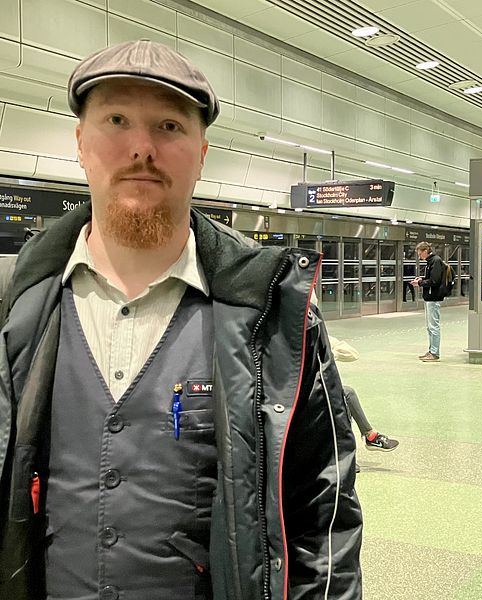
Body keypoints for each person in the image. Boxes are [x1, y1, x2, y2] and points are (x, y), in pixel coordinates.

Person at [0, 40, 362, 600]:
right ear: (80, 142)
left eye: (169, 127)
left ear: (201, 152)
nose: (141, 148)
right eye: (117, 120)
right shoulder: (19, 305)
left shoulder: (274, 315)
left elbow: (324, 510)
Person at [329, 336, 399, 452]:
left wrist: (330, 354)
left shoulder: (320, 336)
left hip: (322, 389)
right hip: (300, 393)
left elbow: (353, 354)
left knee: (344, 396)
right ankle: (367, 438)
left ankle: (366, 438)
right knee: (347, 394)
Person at [410, 241, 444, 362]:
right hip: (429, 297)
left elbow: (434, 281)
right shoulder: (431, 262)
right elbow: (431, 279)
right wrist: (422, 279)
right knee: (430, 327)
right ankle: (431, 351)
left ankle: (434, 352)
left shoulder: (435, 261)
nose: (419, 256)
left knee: (433, 326)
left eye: (420, 254)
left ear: (425, 251)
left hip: (433, 298)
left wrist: (419, 283)